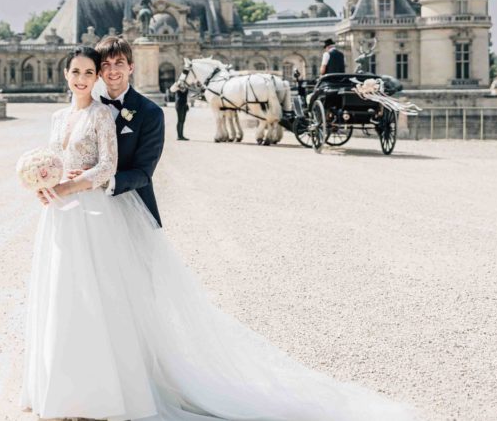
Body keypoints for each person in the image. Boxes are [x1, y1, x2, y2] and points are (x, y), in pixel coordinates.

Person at [21, 36, 416, 421]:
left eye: (116, 64)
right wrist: (48, 182)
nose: (109, 72)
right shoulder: (85, 105)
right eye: (101, 67)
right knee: (82, 298)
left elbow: (140, 172)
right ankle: (81, 383)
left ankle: (133, 382)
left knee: (132, 307)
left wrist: (86, 182)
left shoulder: (148, 113)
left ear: (130, 66)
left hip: (129, 214)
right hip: (79, 214)